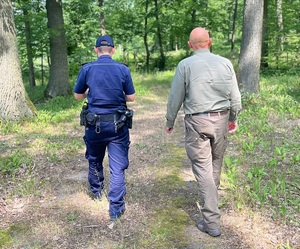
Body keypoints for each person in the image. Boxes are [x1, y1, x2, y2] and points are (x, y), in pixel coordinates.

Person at [165, 27, 242, 237]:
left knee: (202, 168)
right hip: (221, 119)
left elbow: (175, 96)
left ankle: (211, 221)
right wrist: (233, 119)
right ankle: (212, 205)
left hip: (197, 122)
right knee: (215, 164)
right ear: (210, 42)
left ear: (190, 45)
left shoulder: (185, 65)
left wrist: (169, 120)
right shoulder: (225, 63)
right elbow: (235, 98)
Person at [73, 35, 135, 221]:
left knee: (94, 159)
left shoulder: (87, 68)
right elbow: (131, 98)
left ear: (96, 50)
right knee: (117, 166)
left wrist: (90, 93)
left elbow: (77, 96)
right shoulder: (123, 69)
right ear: (113, 50)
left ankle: (97, 192)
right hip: (118, 125)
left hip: (94, 124)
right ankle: (115, 207)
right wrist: (116, 96)